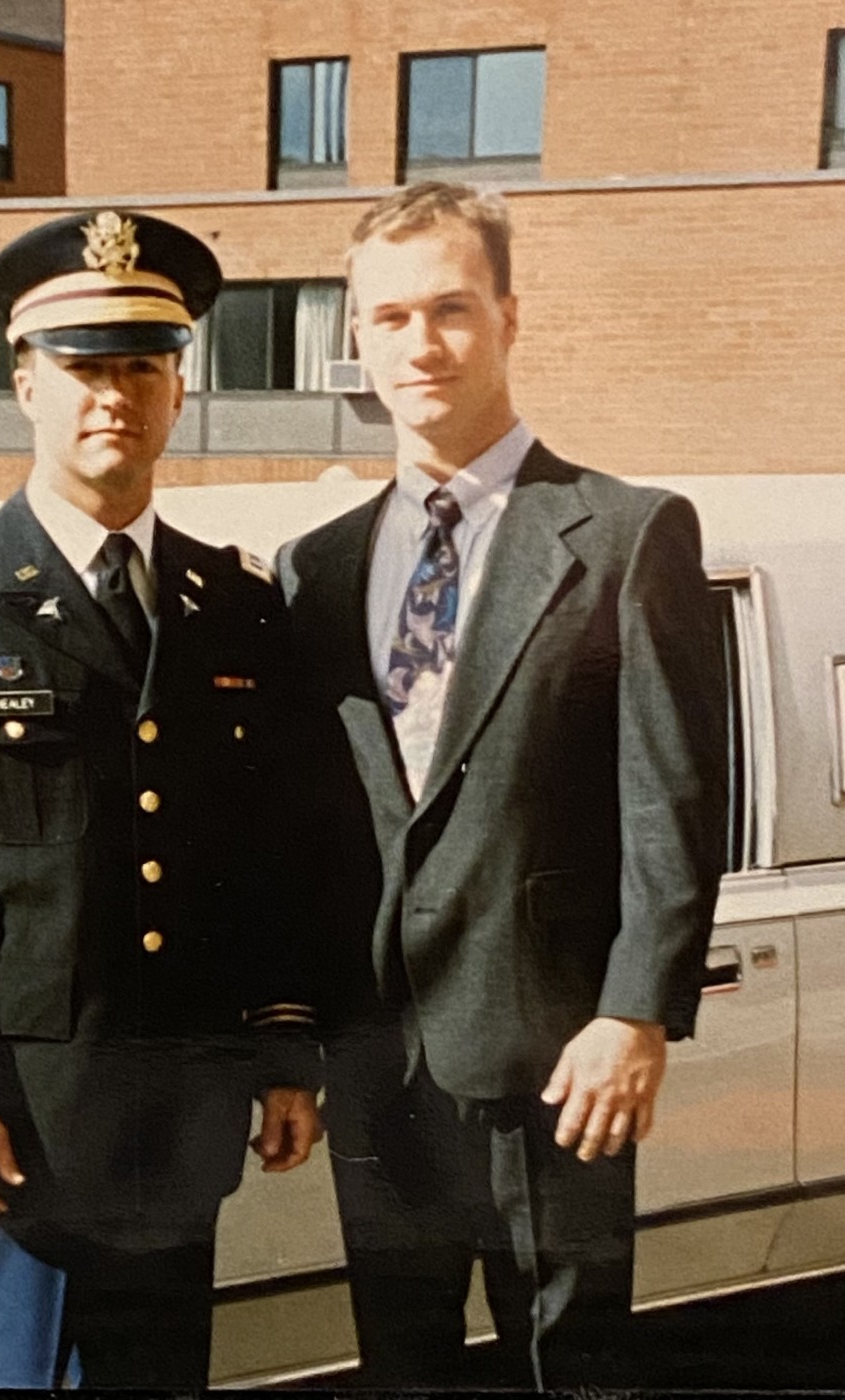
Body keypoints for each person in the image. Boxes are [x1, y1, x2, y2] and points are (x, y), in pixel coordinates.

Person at [0, 209, 321, 1389]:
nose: (115, 396)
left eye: (141, 366)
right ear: (25, 385)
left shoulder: (234, 599)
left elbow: (271, 849)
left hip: (185, 1116)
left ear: (178, 386)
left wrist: (287, 1045)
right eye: (84, 367)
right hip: (20, 1120)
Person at [278, 182, 728, 1390]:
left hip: (557, 1053)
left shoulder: (624, 534)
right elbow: (315, 826)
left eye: (449, 308)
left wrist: (633, 1012)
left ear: (508, 317)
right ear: (356, 338)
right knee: (400, 1364)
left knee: (566, 1364)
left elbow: (673, 803)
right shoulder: (313, 566)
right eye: (387, 318)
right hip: (378, 1058)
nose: (419, 345)